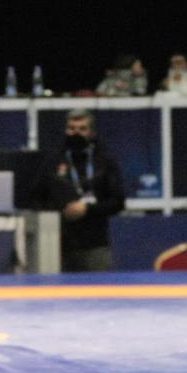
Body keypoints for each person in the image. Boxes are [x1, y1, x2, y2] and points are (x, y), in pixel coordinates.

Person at [33, 109, 126, 272]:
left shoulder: (104, 160)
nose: (76, 133)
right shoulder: (53, 160)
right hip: (58, 244)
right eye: (71, 129)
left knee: (100, 293)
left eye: (82, 129)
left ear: (91, 132)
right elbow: (36, 199)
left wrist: (87, 209)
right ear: (65, 130)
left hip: (95, 246)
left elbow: (118, 201)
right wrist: (62, 211)